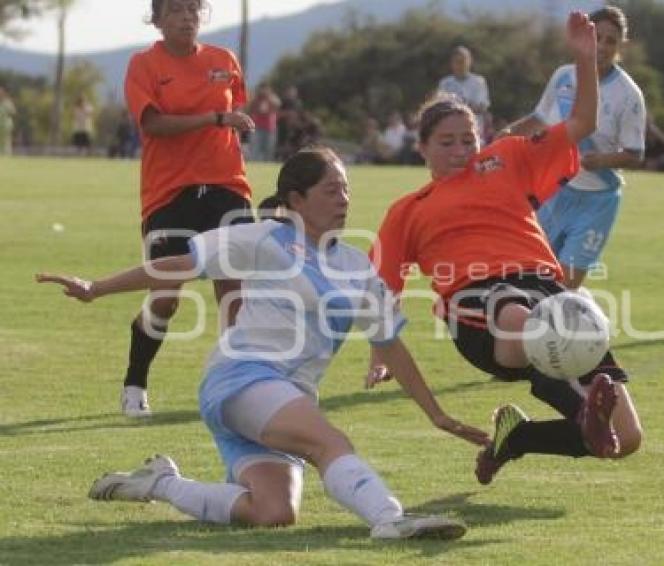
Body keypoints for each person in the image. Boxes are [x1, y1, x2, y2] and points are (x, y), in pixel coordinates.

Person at [36, 147, 485, 538]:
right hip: (241, 379)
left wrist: (437, 414)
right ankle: (391, 518)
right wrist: (96, 287)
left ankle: (160, 483)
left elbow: (390, 346)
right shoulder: (265, 238)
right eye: (331, 190)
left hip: (285, 400)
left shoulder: (356, 266)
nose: (344, 198)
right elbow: (178, 264)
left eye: (345, 188)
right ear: (296, 200)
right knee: (331, 443)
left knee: (273, 512)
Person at [369, 13, 642, 487]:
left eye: (468, 140)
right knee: (518, 315)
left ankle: (518, 438)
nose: (460, 150)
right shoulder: (407, 210)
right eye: (446, 142)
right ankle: (585, 411)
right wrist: (379, 353)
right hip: (477, 300)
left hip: (547, 287)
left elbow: (581, 122)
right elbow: (382, 294)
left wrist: (582, 58)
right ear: (421, 148)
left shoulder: (508, 158)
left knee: (626, 439)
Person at [118, 0, 256, 417]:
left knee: (234, 292)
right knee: (166, 299)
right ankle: (135, 380)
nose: (186, 17)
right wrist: (215, 118)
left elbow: (236, 112)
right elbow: (153, 124)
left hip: (227, 188)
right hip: (169, 194)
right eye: (175, 10)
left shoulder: (223, 60)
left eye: (193, 9)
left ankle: (234, 389)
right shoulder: (144, 64)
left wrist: (232, 122)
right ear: (158, 20)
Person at [499, 6, 646, 288]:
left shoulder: (628, 95)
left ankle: (571, 322)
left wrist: (602, 160)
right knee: (530, 276)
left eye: (610, 40)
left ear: (620, 46)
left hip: (596, 202)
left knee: (563, 287)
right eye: (597, 37)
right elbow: (540, 118)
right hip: (553, 191)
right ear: (585, 37)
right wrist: (507, 135)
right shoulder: (563, 76)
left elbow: (635, 153)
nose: (601, 46)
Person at [437, 45, 491, 141]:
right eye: (457, 61)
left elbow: (481, 107)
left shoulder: (478, 82)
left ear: (469, 62)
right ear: (452, 63)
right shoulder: (445, 83)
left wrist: (457, 105)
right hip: (451, 132)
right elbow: (441, 107)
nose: (460, 64)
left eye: (463, 61)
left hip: (473, 131)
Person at [248, 83, 281, 161]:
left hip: (270, 128)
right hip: (257, 128)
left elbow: (278, 104)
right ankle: (255, 166)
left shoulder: (272, 98)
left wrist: (268, 97)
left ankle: (268, 165)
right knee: (255, 150)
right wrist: (257, 98)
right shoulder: (256, 99)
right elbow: (250, 108)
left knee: (269, 150)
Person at [0, 87, 15, 156]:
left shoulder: (7, 102)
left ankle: (7, 155)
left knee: (6, 141)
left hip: (6, 125)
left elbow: (13, 112)